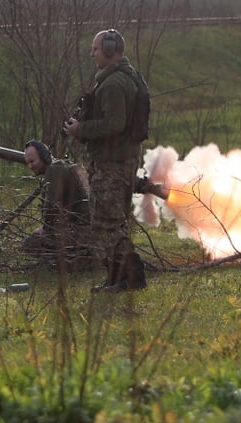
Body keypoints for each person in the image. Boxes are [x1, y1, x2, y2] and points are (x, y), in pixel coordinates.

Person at [63, 28, 148, 292]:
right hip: (122, 160)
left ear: (111, 50)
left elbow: (115, 123)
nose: (93, 54)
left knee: (105, 224)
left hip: (112, 163)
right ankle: (116, 278)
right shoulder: (127, 77)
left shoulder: (112, 84)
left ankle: (131, 277)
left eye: (96, 49)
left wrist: (81, 130)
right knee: (112, 221)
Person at [21, 139, 91, 266]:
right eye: (28, 163)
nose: (30, 166)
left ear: (44, 157)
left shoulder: (53, 171)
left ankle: (72, 261)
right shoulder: (64, 165)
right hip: (93, 228)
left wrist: (45, 227)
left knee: (30, 243)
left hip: (84, 232)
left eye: (32, 161)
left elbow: (51, 207)